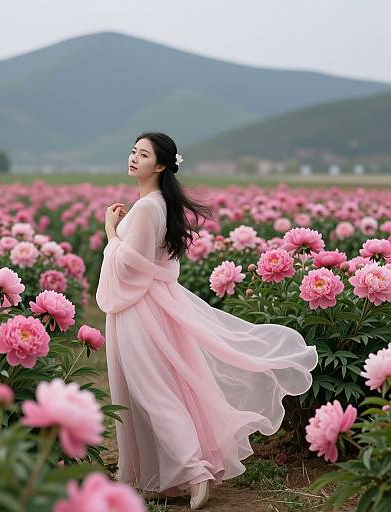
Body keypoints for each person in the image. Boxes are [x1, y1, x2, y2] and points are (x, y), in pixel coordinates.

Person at [95, 132, 318, 510]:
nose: (134, 158)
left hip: (139, 309)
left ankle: (193, 472)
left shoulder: (149, 207)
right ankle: (158, 476)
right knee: (150, 389)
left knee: (152, 392)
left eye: (144, 154)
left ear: (161, 165)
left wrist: (110, 231)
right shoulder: (157, 203)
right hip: (149, 304)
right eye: (133, 151)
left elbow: (131, 264)